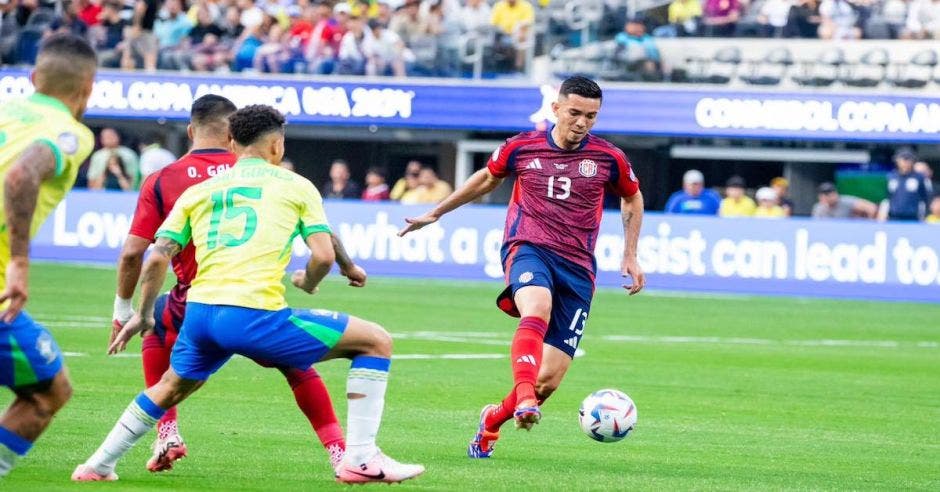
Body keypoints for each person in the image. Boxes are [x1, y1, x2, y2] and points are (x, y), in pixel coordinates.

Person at [73, 105, 425, 484]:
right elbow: (322, 254)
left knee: (171, 386)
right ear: (276, 144)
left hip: (201, 313)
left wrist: (142, 313)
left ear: (233, 142)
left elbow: (157, 255)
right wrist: (309, 281)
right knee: (375, 341)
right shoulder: (295, 185)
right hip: (253, 315)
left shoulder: (200, 191)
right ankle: (360, 458)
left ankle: (97, 465)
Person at [398, 76, 645, 458]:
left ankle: (492, 421)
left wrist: (630, 253)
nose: (582, 123)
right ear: (556, 109)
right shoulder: (521, 147)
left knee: (547, 381)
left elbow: (632, 198)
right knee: (537, 306)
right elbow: (485, 180)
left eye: (591, 116)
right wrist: (436, 212)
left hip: (578, 268)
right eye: (575, 113)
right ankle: (525, 397)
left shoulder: (607, 158)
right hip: (528, 247)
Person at [108, 95, 352, 473]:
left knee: (155, 326)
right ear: (233, 133)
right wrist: (349, 267)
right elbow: (322, 235)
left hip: (195, 302)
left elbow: (134, 254)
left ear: (191, 131)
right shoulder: (272, 174)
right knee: (298, 365)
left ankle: (165, 431)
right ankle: (340, 452)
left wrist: (124, 311)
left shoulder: (165, 180)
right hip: (255, 298)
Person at [0, 33, 97, 479]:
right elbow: (21, 174)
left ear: (34, 77)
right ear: (88, 88)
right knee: (48, 392)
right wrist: (19, 262)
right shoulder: (71, 134)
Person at [885, 149, 931, 221]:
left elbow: (925, 197)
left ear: (913, 161)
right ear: (897, 160)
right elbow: (887, 196)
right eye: (902, 159)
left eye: (908, 159)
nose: (905, 162)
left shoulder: (919, 177)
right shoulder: (891, 176)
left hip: (912, 216)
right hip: (893, 216)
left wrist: (925, 215)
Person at [811, 182, 878, 219]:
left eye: (831, 194)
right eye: (825, 195)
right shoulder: (819, 207)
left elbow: (871, 208)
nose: (829, 197)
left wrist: (869, 223)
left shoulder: (845, 202)